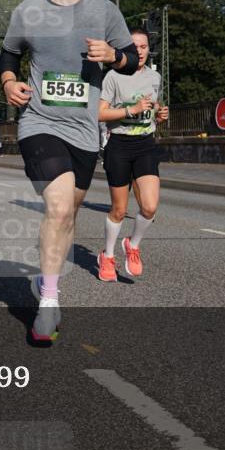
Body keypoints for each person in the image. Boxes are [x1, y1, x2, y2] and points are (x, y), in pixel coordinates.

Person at [0, 0, 137, 342]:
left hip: (84, 132)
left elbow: (131, 60)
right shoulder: (27, 11)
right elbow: (10, 53)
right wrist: (8, 80)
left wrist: (115, 56)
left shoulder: (105, 11)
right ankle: (48, 303)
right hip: (40, 123)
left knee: (68, 215)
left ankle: (45, 279)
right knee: (58, 209)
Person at [97, 27, 168, 281]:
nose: (139, 51)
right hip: (119, 146)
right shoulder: (113, 76)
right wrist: (131, 110)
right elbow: (100, 113)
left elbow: (152, 104)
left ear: (149, 50)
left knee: (149, 207)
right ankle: (107, 255)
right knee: (119, 209)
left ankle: (133, 245)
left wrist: (159, 112)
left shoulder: (154, 77)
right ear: (125, 48)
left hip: (145, 144)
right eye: (134, 46)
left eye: (143, 47)